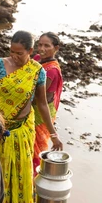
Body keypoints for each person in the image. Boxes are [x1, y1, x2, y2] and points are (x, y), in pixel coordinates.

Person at [0, 30, 63, 203]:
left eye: (19, 53)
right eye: (12, 52)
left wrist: (53, 135)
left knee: (17, 173)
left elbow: (43, 105)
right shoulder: (0, 65)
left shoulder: (37, 71)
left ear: (30, 51)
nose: (15, 57)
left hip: (21, 130)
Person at [33, 32, 64, 173]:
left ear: (56, 48)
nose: (42, 48)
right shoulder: (38, 59)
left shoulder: (51, 71)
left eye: (47, 45)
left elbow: (40, 100)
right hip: (33, 109)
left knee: (36, 154)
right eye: (40, 44)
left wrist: (54, 135)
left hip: (40, 114)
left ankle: (33, 186)